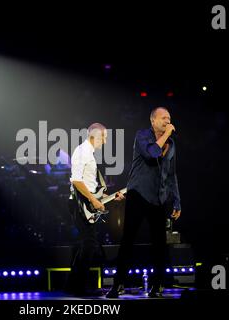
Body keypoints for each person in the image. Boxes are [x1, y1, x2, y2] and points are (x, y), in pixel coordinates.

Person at [107, 107, 181, 298]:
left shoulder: (171, 144)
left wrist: (177, 202)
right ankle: (118, 284)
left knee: (159, 244)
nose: (168, 121)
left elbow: (172, 175)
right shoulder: (142, 136)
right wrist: (166, 135)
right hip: (138, 193)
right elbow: (152, 154)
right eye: (164, 118)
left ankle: (157, 286)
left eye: (169, 119)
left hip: (159, 197)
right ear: (153, 121)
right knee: (128, 240)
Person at [66, 123, 124, 296]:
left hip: (87, 201)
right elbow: (76, 181)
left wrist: (108, 196)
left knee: (88, 244)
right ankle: (77, 287)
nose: (105, 142)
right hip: (80, 203)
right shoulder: (82, 151)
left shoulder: (89, 153)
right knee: (89, 244)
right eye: (104, 137)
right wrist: (93, 200)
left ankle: (73, 285)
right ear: (95, 136)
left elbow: (89, 184)